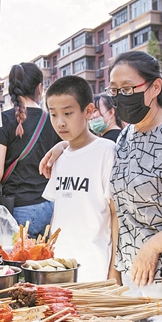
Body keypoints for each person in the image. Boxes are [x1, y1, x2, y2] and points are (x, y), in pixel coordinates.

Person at [42, 52, 162, 297]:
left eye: (127, 89)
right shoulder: (126, 136)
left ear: (155, 87)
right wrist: (62, 147)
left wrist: (154, 246)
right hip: (128, 275)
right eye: (114, 91)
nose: (119, 98)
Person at [41, 76, 119, 282]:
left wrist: (114, 272)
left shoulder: (106, 151)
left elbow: (115, 215)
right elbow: (57, 214)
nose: (60, 122)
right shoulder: (59, 157)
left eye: (68, 113)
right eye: (53, 114)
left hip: (95, 268)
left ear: (88, 111)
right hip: (59, 267)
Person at [0, 63, 60, 238]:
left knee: (18, 262)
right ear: (39, 88)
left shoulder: (3, 121)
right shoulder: (53, 120)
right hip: (50, 206)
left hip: (18, 209)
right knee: (43, 263)